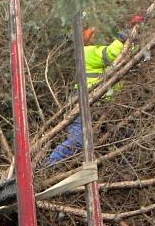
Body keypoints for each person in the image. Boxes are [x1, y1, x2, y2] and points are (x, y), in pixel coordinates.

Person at [45, 16, 143, 166]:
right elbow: (111, 54)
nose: (97, 32)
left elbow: (129, 56)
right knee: (77, 142)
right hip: (83, 104)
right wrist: (126, 33)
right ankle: (47, 168)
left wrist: (138, 35)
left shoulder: (100, 49)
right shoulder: (87, 52)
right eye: (92, 31)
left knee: (124, 137)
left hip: (103, 106)